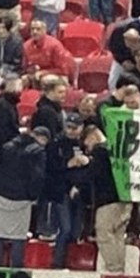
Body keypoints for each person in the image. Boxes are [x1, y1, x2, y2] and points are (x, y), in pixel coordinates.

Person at [0, 127, 49, 267]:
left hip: (1, 196)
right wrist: (32, 196)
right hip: (22, 200)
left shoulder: (7, 147)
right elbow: (37, 177)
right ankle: (16, 273)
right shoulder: (38, 152)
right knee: (18, 238)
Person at [78, 124, 131, 272]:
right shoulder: (118, 148)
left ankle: (115, 269)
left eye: (87, 144)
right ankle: (121, 269)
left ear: (92, 136)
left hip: (108, 200)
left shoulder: (100, 152)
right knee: (118, 236)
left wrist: (79, 185)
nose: (87, 148)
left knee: (104, 234)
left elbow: (94, 173)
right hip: (125, 199)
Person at [46, 113, 86, 268]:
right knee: (65, 228)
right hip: (61, 191)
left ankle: (71, 262)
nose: (71, 131)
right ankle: (57, 263)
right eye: (69, 127)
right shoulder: (56, 144)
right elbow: (50, 169)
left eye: (75, 128)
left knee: (76, 231)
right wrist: (68, 164)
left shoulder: (83, 144)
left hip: (78, 191)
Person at [107, 17, 140, 92]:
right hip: (123, 58)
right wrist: (122, 61)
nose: (131, 47)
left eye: (133, 43)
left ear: (139, 38)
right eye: (128, 43)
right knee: (113, 81)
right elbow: (114, 48)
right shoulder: (117, 32)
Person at [22, 19, 72, 88]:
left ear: (44, 30)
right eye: (32, 29)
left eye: (38, 29)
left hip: (58, 76)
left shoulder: (55, 45)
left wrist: (43, 72)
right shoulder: (26, 45)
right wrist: (30, 70)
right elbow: (24, 67)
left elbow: (63, 70)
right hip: (36, 74)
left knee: (46, 80)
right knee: (22, 80)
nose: (35, 32)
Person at [0, 76, 22, 171]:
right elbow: (1, 129)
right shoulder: (2, 105)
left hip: (5, 147)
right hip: (0, 149)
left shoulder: (9, 103)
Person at [31, 75, 68, 139]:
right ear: (49, 92)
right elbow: (52, 135)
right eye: (60, 92)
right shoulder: (47, 111)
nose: (64, 95)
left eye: (64, 92)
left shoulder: (55, 108)